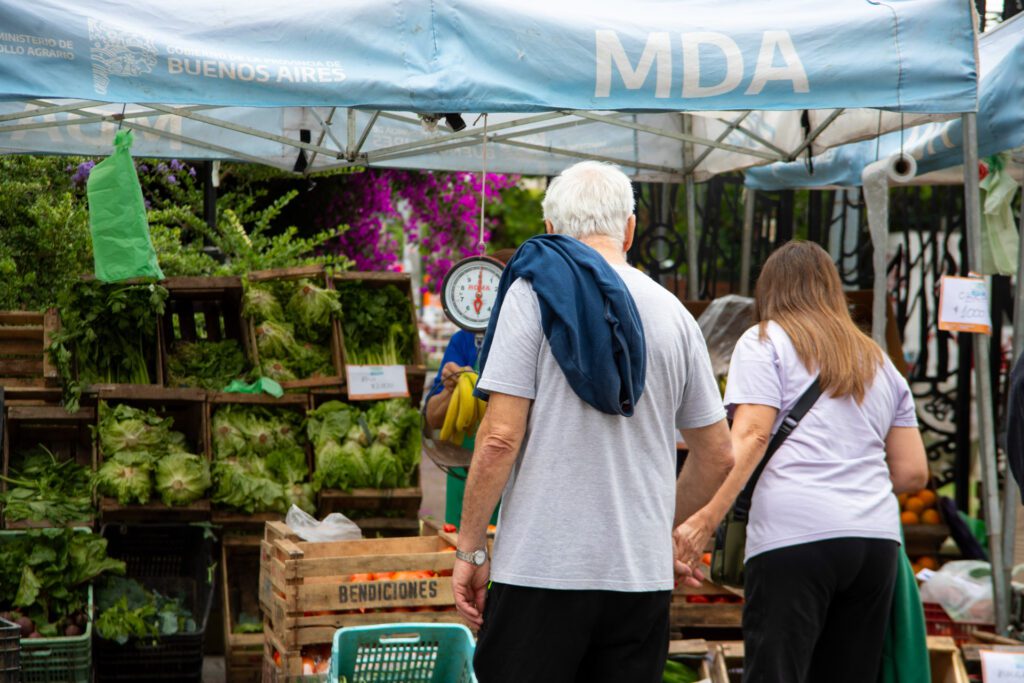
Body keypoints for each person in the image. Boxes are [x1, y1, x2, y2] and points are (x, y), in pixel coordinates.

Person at [451, 161, 734, 682]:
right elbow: (718, 454)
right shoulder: (674, 315)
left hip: (540, 573)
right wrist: (656, 530)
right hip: (639, 583)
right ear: (629, 230)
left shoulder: (531, 296)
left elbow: (498, 438)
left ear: (552, 231)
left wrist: (470, 545)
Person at [694, 241, 928, 683]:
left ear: (769, 289)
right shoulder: (879, 361)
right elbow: (913, 471)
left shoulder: (764, 342)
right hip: (874, 541)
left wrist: (706, 518)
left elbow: (752, 435)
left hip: (793, 535)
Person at [424, 248, 515, 527]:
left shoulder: (535, 339)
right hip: (466, 469)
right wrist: (452, 388)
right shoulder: (464, 342)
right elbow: (432, 419)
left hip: (516, 480)